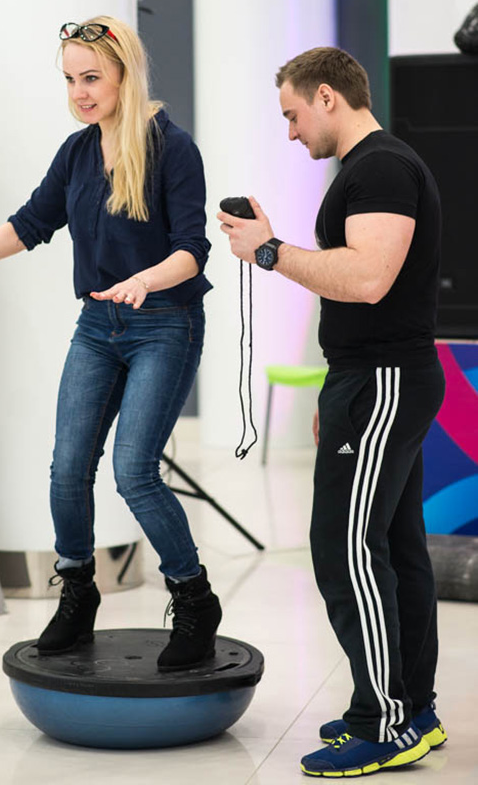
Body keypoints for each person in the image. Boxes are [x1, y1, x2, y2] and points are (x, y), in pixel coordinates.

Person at [0, 16, 221, 671]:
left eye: (91, 78)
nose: (79, 93)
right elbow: (31, 223)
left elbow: (191, 251)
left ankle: (194, 598)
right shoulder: (77, 153)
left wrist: (143, 281)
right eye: (69, 80)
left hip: (163, 322)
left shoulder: (172, 149)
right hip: (98, 326)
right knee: (67, 468)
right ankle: (78, 591)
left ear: (125, 75)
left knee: (133, 472)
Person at [217, 47, 446, 776]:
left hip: (382, 380)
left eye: (292, 115)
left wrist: (269, 251)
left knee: (346, 551)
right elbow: (362, 292)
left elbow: (368, 278)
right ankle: (410, 707)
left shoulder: (381, 169)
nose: (290, 132)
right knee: (395, 550)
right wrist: (333, 386)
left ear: (326, 96)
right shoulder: (370, 169)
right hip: (369, 378)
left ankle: (387, 722)